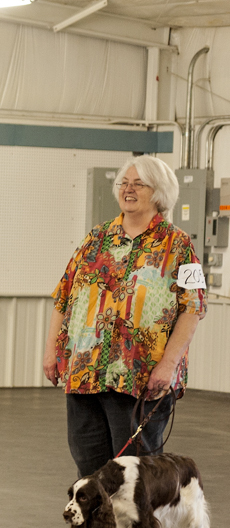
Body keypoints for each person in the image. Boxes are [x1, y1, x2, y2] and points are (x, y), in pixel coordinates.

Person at [44, 155, 206, 483]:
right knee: (88, 469)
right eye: (123, 183)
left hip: (141, 378)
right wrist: (51, 351)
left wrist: (168, 366)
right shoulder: (95, 239)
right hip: (85, 373)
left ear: (159, 192)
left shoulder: (181, 246)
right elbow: (63, 297)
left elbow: (194, 308)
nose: (128, 189)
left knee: (135, 475)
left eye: (138, 184)